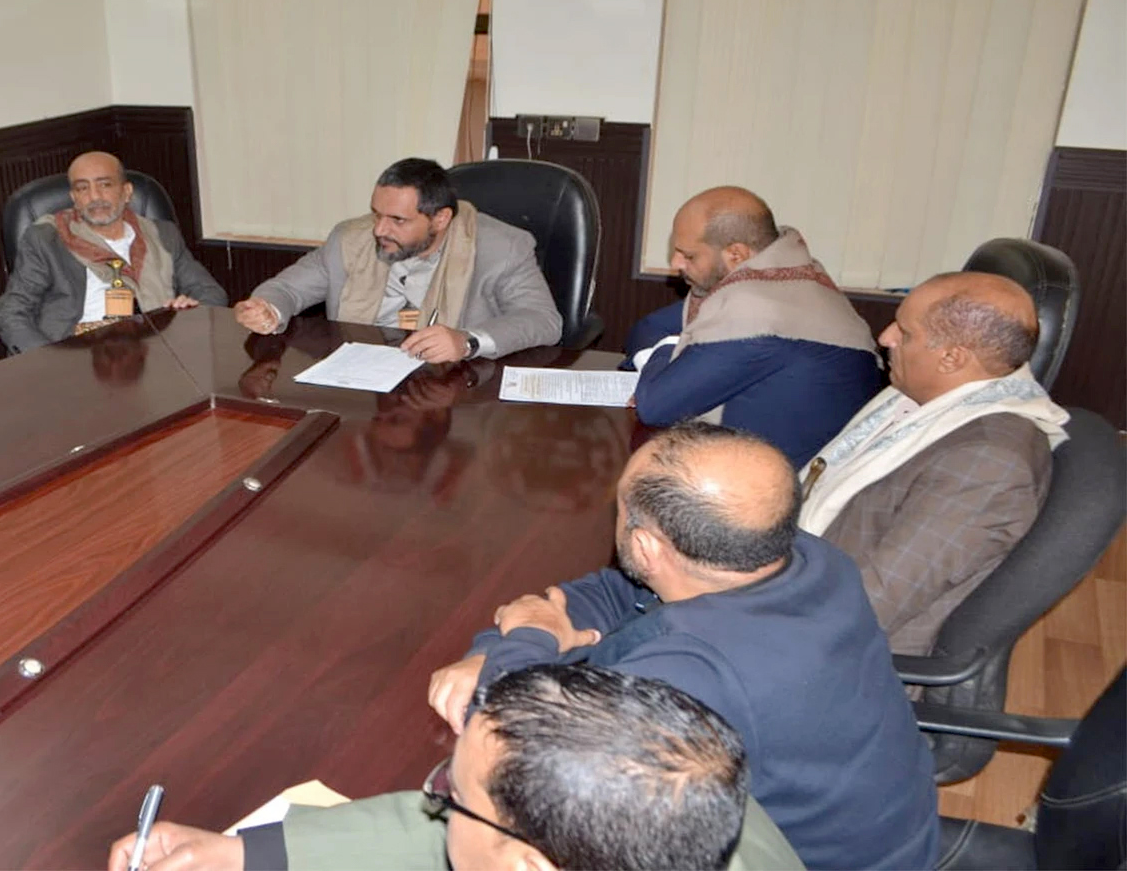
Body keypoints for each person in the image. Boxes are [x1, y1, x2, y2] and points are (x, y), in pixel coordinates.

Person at [427, 423, 938, 870]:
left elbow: (511, 751)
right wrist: (502, 645)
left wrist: (525, 639)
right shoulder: (804, 557)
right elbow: (620, 589)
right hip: (888, 830)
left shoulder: (693, 677)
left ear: (646, 546)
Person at [106, 664, 803, 871]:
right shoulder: (684, 790)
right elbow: (450, 828)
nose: (433, 797)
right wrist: (243, 855)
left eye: (450, 792)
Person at [800, 272, 1069, 656]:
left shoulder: (987, 463)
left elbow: (868, 606)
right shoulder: (926, 398)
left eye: (905, 332)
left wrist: (736, 607)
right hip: (806, 575)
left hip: (833, 650)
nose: (886, 337)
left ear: (952, 358)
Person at [625, 187, 880, 466]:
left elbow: (655, 406)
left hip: (776, 484)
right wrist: (669, 355)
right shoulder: (786, 278)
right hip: (746, 462)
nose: (675, 264)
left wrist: (667, 351)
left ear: (736, 254)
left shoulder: (758, 311)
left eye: (689, 256)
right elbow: (647, 328)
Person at [233, 158, 562, 363]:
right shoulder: (350, 239)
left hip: (452, 392)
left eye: (397, 220)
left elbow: (543, 319)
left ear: (440, 219)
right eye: (377, 214)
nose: (379, 230)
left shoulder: (502, 247)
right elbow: (287, 289)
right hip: (363, 384)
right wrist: (267, 309)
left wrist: (468, 340)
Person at [0, 151, 228, 351]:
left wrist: (188, 312)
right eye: (83, 188)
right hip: (77, 355)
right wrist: (47, 359)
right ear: (74, 198)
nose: (94, 197)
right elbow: (12, 313)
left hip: (155, 350)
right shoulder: (46, 240)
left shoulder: (162, 235)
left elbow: (211, 293)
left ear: (126, 192)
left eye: (105, 185)